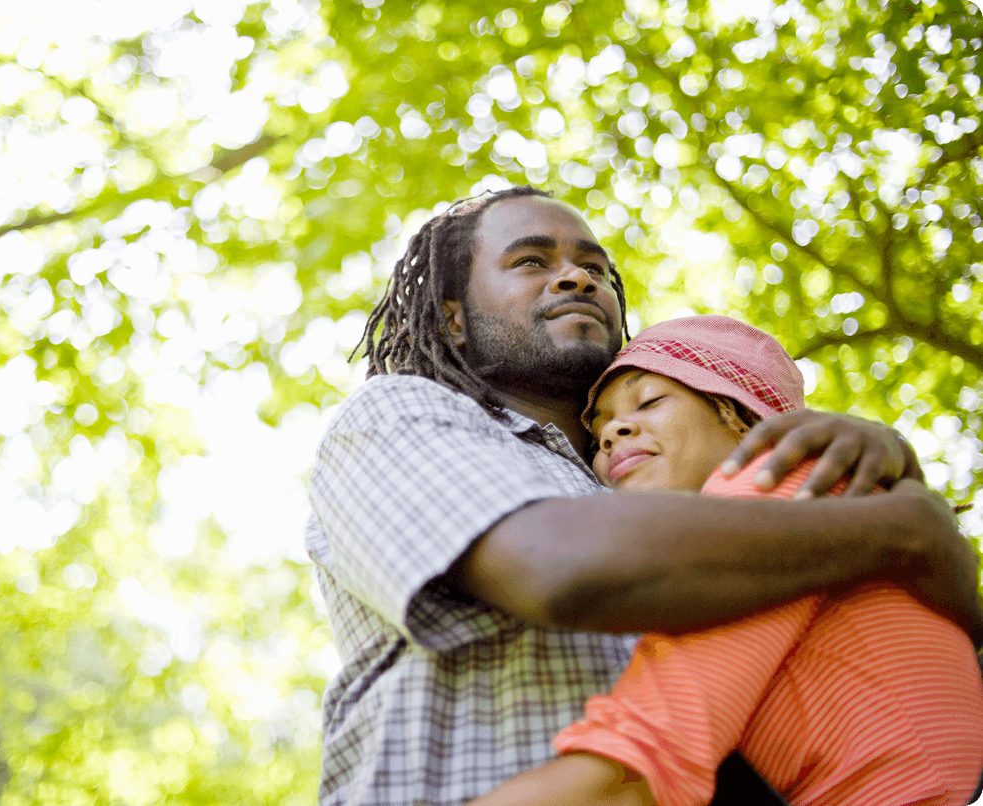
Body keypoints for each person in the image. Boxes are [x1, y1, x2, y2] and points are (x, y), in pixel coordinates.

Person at [305, 185, 983, 805]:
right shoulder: (403, 414)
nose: (576, 277)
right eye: (531, 262)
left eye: (595, 269)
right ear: (453, 320)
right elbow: (562, 571)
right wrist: (897, 529)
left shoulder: (676, 496)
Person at [468, 315, 983, 806]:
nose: (612, 434)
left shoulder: (781, 478)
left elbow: (638, 771)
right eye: (599, 429)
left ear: (738, 415)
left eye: (648, 401)